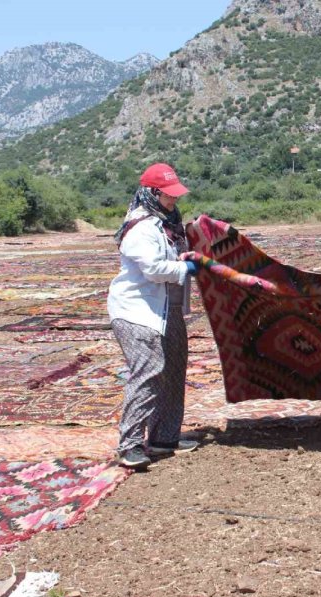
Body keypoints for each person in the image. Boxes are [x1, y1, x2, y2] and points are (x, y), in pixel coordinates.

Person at [107, 163, 201, 470]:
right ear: (152, 193)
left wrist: (183, 258)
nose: (174, 201)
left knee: (174, 368)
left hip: (165, 309)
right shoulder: (141, 227)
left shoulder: (167, 224)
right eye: (168, 195)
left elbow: (168, 258)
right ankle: (130, 444)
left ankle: (164, 437)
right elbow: (154, 268)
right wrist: (183, 269)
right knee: (149, 370)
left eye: (175, 195)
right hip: (137, 311)